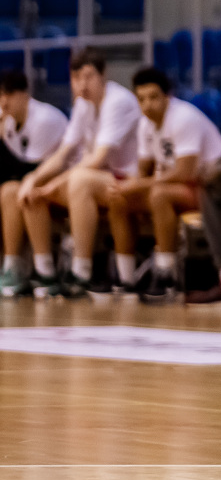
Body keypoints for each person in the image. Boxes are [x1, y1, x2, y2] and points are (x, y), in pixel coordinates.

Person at [10, 48, 141, 297]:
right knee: (30, 191)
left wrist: (54, 184)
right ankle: (45, 272)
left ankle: (81, 272)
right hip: (96, 179)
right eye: (76, 77)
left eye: (88, 76)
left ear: (103, 75)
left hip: (126, 179)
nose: (82, 84)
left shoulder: (118, 101)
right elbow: (63, 154)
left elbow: (98, 159)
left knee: (79, 180)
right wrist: (33, 179)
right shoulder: (83, 104)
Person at [103, 67, 221, 302]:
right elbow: (144, 171)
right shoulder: (145, 125)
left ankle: (165, 275)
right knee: (118, 197)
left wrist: (139, 185)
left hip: (211, 190)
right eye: (141, 99)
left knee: (159, 195)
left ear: (167, 96)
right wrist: (128, 187)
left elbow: (185, 172)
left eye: (153, 97)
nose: (147, 105)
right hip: (180, 188)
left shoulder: (183, 118)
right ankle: (126, 277)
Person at [0, 70, 68, 295]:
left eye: (8, 94)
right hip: (35, 179)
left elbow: (28, 169)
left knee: (25, 192)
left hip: (64, 179)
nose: (3, 101)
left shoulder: (43, 119)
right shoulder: (9, 121)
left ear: (24, 94)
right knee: (9, 191)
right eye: (0, 95)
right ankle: (12, 267)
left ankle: (45, 271)